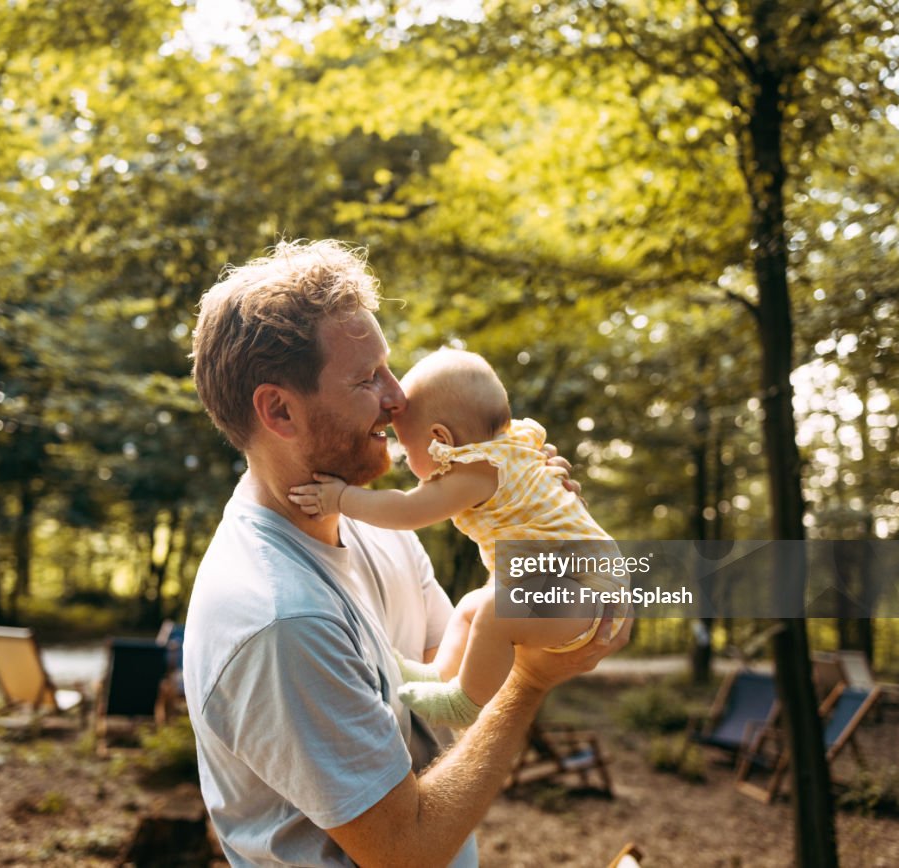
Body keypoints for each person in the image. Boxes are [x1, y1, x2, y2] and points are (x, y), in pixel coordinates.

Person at [186, 239, 630, 867]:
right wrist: (531, 684)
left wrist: (533, 517)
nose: (398, 400)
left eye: (388, 368)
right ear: (279, 410)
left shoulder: (379, 529)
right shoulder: (281, 620)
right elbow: (406, 854)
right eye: (368, 380)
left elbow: (456, 705)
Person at [288, 348, 628, 728]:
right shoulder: (512, 447)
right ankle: (441, 675)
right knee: (471, 607)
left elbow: (407, 511)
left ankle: (464, 704)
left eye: (406, 446)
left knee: (494, 612)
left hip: (585, 590)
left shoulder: (475, 469)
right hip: (582, 583)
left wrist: (341, 498)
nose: (403, 457)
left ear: (441, 439)